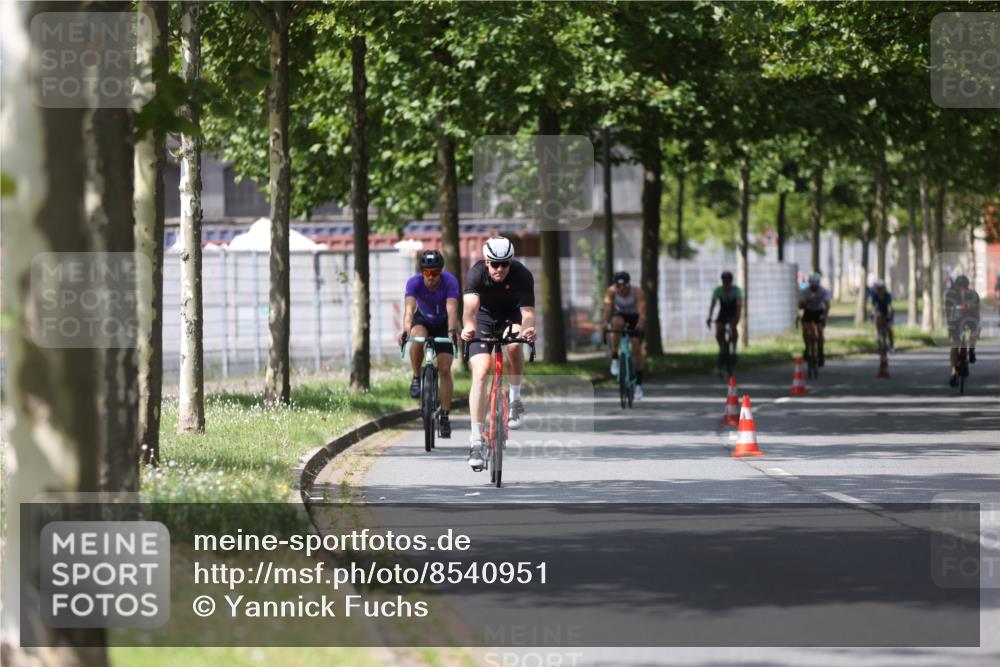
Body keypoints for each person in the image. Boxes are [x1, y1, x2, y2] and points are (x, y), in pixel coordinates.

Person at [461, 237, 537, 470]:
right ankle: (475, 441)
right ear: (486, 262)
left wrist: (529, 330)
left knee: (514, 346)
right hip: (482, 318)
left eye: (505, 264)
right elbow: (469, 312)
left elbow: (527, 313)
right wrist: (468, 328)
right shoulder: (475, 274)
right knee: (482, 370)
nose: (500, 269)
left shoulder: (522, 274)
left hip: (511, 315)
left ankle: (514, 400)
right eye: (495, 264)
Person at [398, 249, 460, 437]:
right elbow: (409, 310)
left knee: (444, 369)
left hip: (443, 324)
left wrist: (451, 332)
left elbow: (452, 309)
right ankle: (417, 377)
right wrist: (406, 331)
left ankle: (445, 417)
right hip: (423, 320)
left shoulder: (450, 282)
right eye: (427, 272)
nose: (431, 276)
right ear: (422, 272)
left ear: (440, 272)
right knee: (417, 336)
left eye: (434, 272)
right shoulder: (414, 283)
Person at [601, 271, 647, 400]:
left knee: (636, 348)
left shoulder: (637, 292)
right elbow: (608, 307)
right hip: (620, 315)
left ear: (627, 285)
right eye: (617, 286)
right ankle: (615, 357)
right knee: (616, 324)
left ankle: (638, 385)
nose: (619, 289)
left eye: (621, 286)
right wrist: (605, 322)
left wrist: (641, 322)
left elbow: (642, 310)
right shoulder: (611, 291)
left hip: (634, 318)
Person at [945, 274, 980, 387]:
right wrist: (949, 321)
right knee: (954, 347)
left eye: (964, 286)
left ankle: (971, 350)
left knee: (975, 331)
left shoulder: (973, 295)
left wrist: (976, 322)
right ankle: (954, 372)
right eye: (960, 286)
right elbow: (947, 311)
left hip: (970, 319)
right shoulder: (951, 295)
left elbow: (977, 312)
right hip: (955, 321)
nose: (962, 289)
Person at [706, 270, 743, 362]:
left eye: (728, 280)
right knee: (718, 329)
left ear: (731, 281)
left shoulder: (736, 291)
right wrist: (710, 317)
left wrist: (737, 316)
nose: (726, 282)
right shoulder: (718, 290)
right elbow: (713, 304)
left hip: (733, 311)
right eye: (724, 280)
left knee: (733, 327)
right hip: (723, 312)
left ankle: (734, 350)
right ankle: (722, 348)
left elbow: (739, 306)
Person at [798, 272, 832, 366]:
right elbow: (800, 306)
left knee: (820, 331)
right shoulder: (805, 291)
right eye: (812, 286)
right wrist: (808, 300)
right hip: (808, 312)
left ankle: (820, 353)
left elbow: (827, 304)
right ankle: (807, 348)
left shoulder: (823, 291)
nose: (814, 288)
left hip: (819, 312)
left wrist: (824, 315)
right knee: (805, 329)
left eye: (815, 286)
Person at [869, 279, 895, 352]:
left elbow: (889, 306)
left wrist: (889, 315)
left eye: (881, 289)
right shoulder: (875, 296)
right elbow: (873, 307)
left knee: (889, 327)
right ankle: (878, 334)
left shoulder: (887, 295)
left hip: (887, 311)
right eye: (878, 289)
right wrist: (872, 313)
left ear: (884, 289)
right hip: (879, 311)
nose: (880, 291)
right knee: (877, 317)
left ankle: (892, 344)